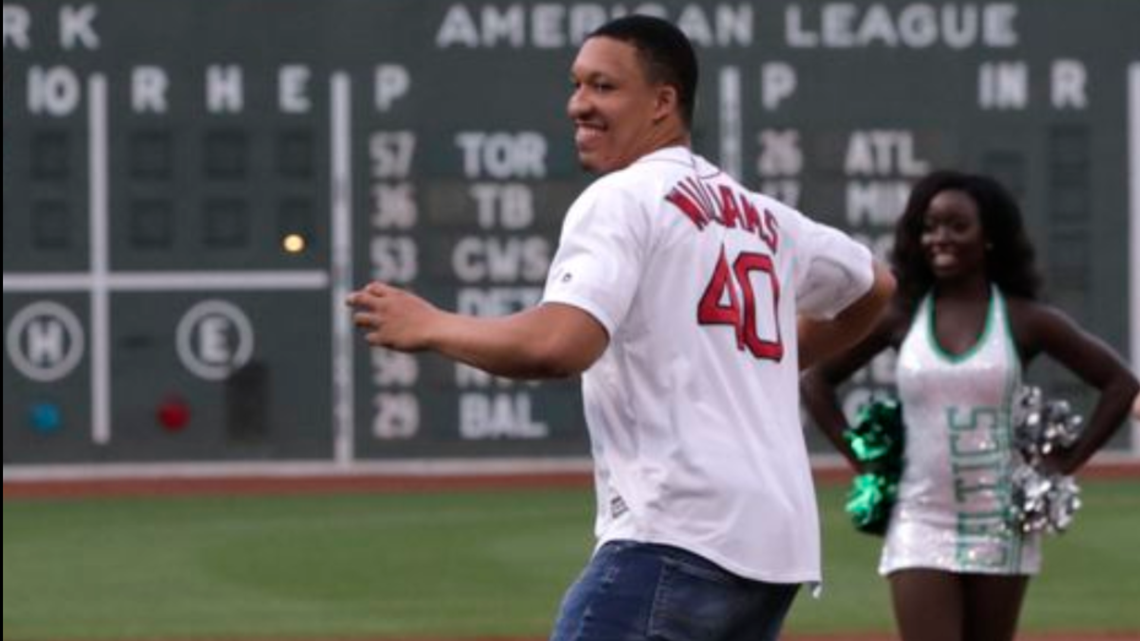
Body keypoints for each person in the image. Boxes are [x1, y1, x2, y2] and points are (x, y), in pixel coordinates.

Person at [348, 15, 895, 641]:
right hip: (773, 549)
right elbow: (874, 285)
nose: (578, 103)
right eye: (578, 84)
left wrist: (433, 325)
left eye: (603, 87)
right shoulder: (763, 217)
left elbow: (560, 345)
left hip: (678, 531)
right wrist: (772, 360)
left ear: (663, 102)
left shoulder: (623, 198)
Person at [801, 170, 1140, 641]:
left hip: (1001, 523)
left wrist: (1064, 462)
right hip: (918, 521)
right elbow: (816, 382)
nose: (940, 238)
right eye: (930, 226)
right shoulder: (901, 316)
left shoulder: (1025, 319)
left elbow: (1120, 384)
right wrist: (863, 462)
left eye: (957, 226)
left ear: (991, 238)